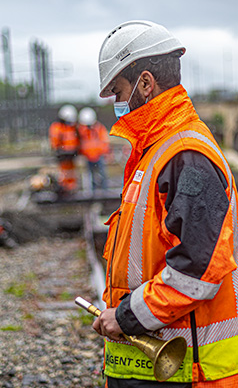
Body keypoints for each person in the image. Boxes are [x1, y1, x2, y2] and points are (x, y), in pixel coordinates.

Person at [92, 20, 238, 387]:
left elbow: (198, 267)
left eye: (119, 91)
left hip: (187, 367)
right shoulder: (157, 150)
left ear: (145, 83)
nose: (116, 103)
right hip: (157, 362)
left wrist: (126, 317)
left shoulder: (185, 155)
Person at [48, 104, 80, 194]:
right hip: (63, 154)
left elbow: (75, 139)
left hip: (71, 154)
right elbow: (55, 141)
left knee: (71, 172)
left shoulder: (71, 127)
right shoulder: (57, 127)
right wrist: (59, 150)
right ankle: (64, 188)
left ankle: (71, 188)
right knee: (64, 172)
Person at [78, 107, 111, 192]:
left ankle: (104, 192)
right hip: (88, 156)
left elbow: (104, 141)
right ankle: (92, 193)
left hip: (98, 155)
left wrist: (106, 152)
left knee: (102, 175)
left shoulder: (99, 128)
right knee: (90, 176)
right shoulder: (82, 130)